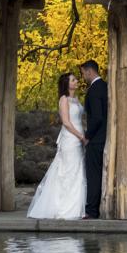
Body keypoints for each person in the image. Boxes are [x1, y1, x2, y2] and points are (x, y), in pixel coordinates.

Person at [26, 71, 86, 220]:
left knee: (78, 171)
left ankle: (77, 207)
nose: (76, 81)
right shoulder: (64, 100)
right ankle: (64, 208)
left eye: (75, 79)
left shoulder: (76, 99)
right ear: (67, 84)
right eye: (73, 80)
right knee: (68, 171)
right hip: (70, 139)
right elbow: (66, 122)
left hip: (79, 137)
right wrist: (80, 136)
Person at [81, 59, 108, 219]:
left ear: (90, 71)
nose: (83, 77)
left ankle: (92, 211)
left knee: (93, 175)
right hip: (106, 137)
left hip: (96, 140)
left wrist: (87, 136)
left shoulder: (94, 90)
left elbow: (97, 117)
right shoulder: (106, 86)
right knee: (101, 175)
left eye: (83, 73)